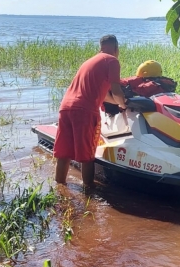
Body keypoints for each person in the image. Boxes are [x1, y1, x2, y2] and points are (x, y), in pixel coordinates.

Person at [53, 35, 126, 189]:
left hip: (66, 107)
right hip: (84, 111)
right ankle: (89, 192)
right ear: (116, 48)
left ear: (100, 47)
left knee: (64, 154)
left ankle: (59, 188)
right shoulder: (112, 61)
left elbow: (105, 96)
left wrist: (116, 102)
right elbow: (116, 90)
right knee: (87, 156)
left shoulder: (90, 61)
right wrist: (124, 104)